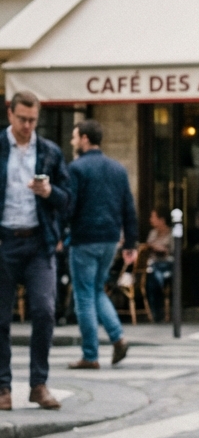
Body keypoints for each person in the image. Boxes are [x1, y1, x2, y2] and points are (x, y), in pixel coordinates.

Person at [0, 92, 71, 411]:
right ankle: (2, 387)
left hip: (39, 242)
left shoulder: (49, 152)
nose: (28, 126)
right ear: (9, 114)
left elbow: (67, 198)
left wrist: (49, 191)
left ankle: (38, 384)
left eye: (33, 121)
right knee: (1, 318)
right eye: (22, 119)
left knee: (43, 310)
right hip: (4, 240)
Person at [65, 120, 137, 370]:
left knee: (83, 296)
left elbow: (69, 206)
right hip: (109, 239)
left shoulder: (77, 168)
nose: (73, 141)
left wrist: (61, 233)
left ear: (85, 138)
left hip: (85, 238)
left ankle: (90, 354)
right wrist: (131, 241)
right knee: (96, 290)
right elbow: (129, 207)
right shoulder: (117, 169)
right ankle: (118, 337)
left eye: (75, 137)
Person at [144, 209, 173, 322]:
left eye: (153, 217)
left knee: (154, 274)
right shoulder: (152, 233)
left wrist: (161, 249)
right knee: (151, 274)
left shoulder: (171, 233)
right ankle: (155, 312)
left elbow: (173, 252)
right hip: (154, 264)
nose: (151, 220)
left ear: (162, 220)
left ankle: (157, 312)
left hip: (167, 264)